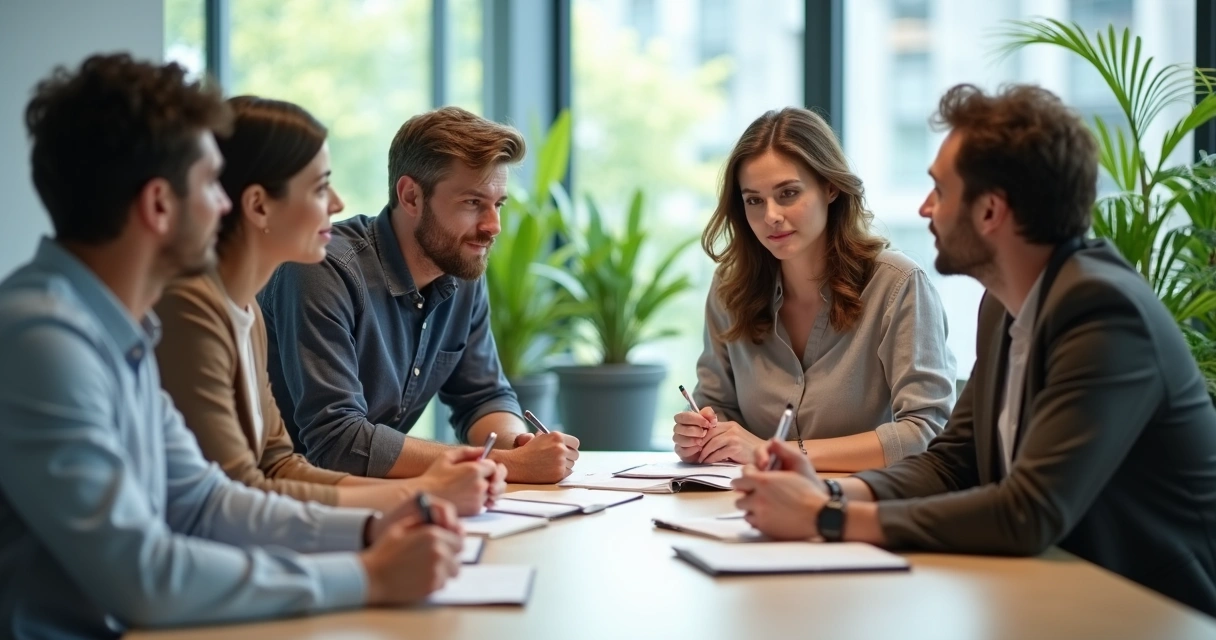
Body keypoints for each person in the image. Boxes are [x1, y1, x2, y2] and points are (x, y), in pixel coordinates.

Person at [0, 54, 465, 638]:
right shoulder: (43, 341)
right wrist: (367, 575)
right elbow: (142, 575)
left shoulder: (118, 332)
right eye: (208, 185)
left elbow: (205, 501)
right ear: (159, 205)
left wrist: (374, 531)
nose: (225, 205)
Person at [733, 84, 1216, 616]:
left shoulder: (1104, 311)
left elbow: (1028, 511)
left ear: (990, 210)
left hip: (1150, 614)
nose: (925, 207)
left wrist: (827, 518)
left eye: (939, 190)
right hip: (1050, 598)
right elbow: (951, 464)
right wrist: (836, 495)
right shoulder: (1005, 305)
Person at [155, 96, 505, 516]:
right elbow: (239, 494)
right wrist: (420, 498)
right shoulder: (194, 309)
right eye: (320, 187)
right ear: (258, 206)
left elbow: (279, 465)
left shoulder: (245, 311)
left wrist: (422, 496)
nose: (338, 203)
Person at [259, 106, 579, 483]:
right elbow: (338, 443)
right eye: (472, 203)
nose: (493, 226)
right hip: (281, 503)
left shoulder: (460, 267)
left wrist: (516, 443)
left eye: (498, 204)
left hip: (374, 500)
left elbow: (482, 397)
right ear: (411, 196)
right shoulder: (323, 270)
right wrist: (509, 466)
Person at [673, 107, 956, 472]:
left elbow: (925, 432)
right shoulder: (730, 288)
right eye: (754, 200)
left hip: (864, 510)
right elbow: (717, 405)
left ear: (830, 186)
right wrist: (700, 435)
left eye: (788, 193)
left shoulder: (898, 285)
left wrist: (775, 453)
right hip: (746, 509)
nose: (771, 215)